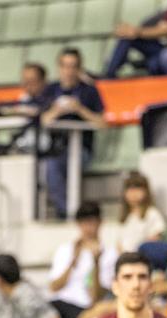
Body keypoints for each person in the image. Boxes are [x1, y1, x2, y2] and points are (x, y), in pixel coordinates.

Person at [39, 47, 106, 219]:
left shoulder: (89, 91)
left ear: (79, 68)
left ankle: (67, 214)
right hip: (55, 148)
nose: (69, 71)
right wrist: (57, 110)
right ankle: (67, 212)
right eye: (65, 66)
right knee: (49, 165)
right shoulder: (50, 90)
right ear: (59, 68)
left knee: (54, 166)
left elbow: (101, 122)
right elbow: (43, 120)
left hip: (82, 149)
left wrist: (80, 109)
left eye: (73, 66)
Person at [48, 200, 117, 318]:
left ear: (100, 222)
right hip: (59, 303)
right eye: (83, 223)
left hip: (84, 307)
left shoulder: (109, 253)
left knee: (104, 309)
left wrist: (96, 263)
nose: (87, 227)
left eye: (91, 222)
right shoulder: (65, 249)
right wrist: (73, 262)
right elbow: (54, 287)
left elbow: (96, 297)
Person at [103, 0, 167, 78]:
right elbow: (160, 25)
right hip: (165, 47)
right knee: (128, 36)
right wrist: (131, 31)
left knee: (161, 59)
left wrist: (136, 32)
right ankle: (109, 74)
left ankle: (140, 64)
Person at [116, 172, 167, 254]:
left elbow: (155, 240)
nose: (133, 193)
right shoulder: (125, 217)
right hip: (125, 259)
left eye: (137, 188)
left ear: (146, 191)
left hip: (143, 258)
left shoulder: (152, 213)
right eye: (129, 189)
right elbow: (119, 242)